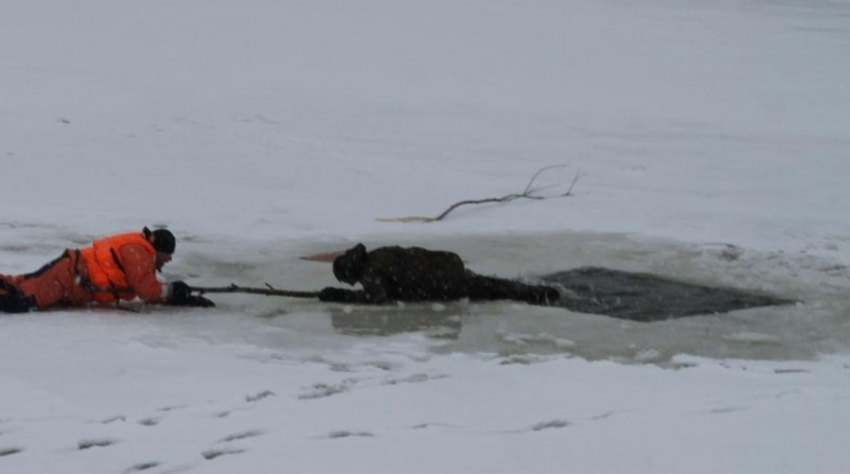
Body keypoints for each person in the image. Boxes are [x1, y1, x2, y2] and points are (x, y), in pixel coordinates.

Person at [0, 227, 214, 313]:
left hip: (69, 276)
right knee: (20, 301)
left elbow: (148, 289)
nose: (170, 259)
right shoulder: (138, 251)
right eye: (168, 255)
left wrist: (179, 298)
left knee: (18, 286)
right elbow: (146, 291)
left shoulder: (141, 252)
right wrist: (173, 291)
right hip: (68, 277)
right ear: (159, 250)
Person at [317, 243, 560, 306]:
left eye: (346, 282)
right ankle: (533, 290)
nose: (351, 285)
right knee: (492, 285)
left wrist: (339, 296)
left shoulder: (370, 272)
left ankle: (539, 295)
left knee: (493, 291)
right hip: (445, 266)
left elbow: (377, 298)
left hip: (441, 284)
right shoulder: (377, 255)